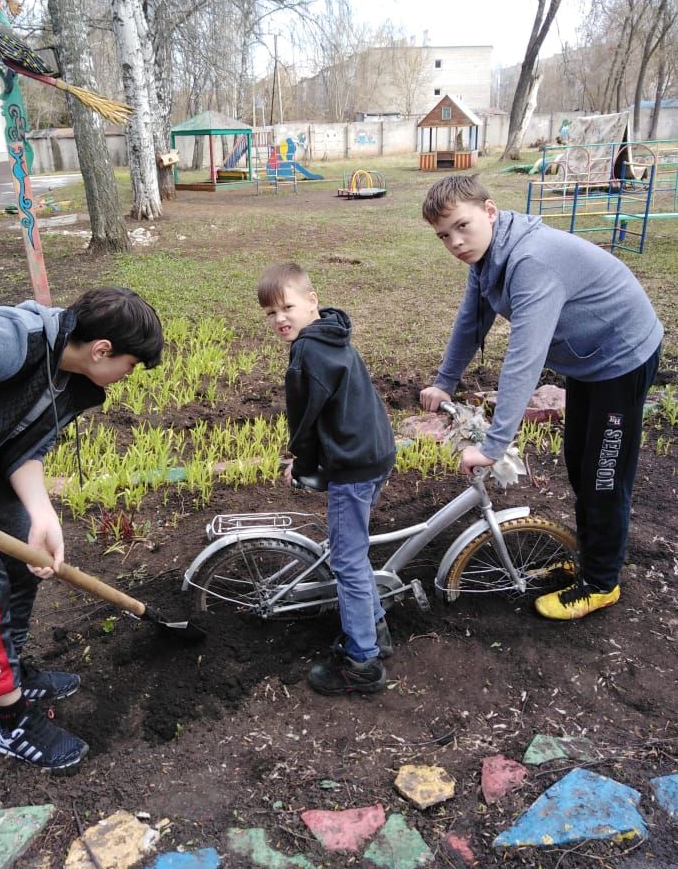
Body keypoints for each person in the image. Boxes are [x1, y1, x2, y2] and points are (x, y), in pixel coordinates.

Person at [0, 287, 163, 772]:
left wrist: (42, 515)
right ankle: (11, 719)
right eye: (130, 365)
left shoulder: (69, 378)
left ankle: (4, 673)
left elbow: (25, 449)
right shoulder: (9, 338)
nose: (127, 377)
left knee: (27, 563)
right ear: (102, 349)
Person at [419, 174, 662, 621]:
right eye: (443, 236)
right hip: (590, 361)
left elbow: (524, 359)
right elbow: (471, 321)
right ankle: (591, 560)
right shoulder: (488, 258)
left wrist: (493, 445)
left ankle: (602, 583)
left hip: (623, 356)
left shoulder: (532, 262)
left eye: (462, 226)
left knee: (604, 475)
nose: (454, 242)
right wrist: (445, 381)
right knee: (579, 462)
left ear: (490, 211)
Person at [257, 263, 395, 695]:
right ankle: (375, 628)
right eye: (270, 313)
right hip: (376, 453)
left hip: (352, 467)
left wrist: (299, 462)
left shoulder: (308, 353)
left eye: (287, 307)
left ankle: (362, 662)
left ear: (311, 301)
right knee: (353, 551)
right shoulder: (333, 334)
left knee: (346, 560)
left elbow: (303, 420)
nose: (280, 319)